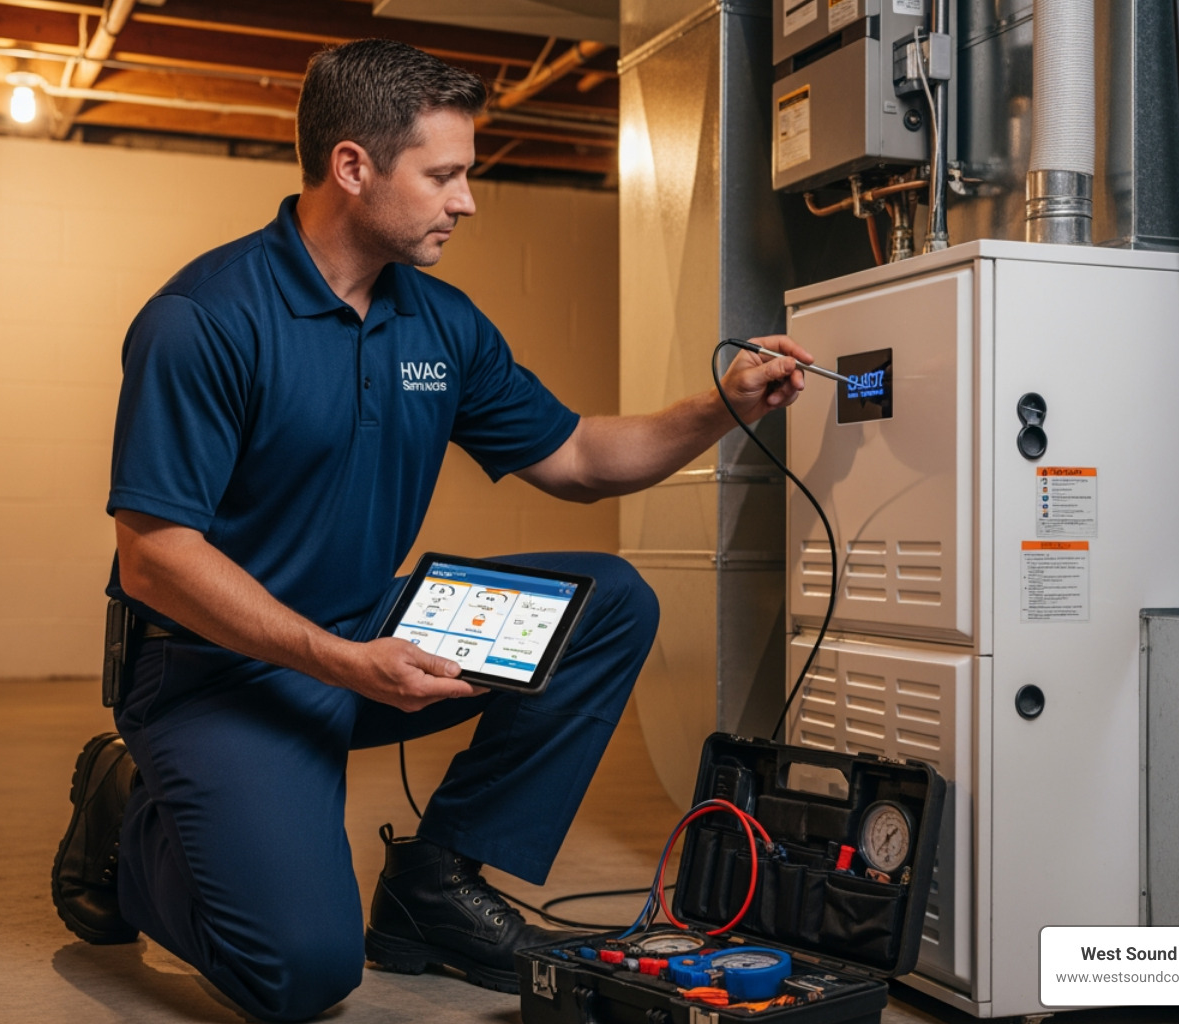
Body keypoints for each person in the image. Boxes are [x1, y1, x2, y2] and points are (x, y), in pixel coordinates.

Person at [50, 38, 816, 1024]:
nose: (468, 200)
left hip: (367, 631)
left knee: (609, 601)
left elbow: (580, 458)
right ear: (354, 166)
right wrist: (339, 661)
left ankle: (436, 885)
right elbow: (155, 558)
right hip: (215, 670)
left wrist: (719, 404)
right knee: (300, 974)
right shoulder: (207, 317)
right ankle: (125, 820)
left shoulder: (441, 325)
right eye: (445, 174)